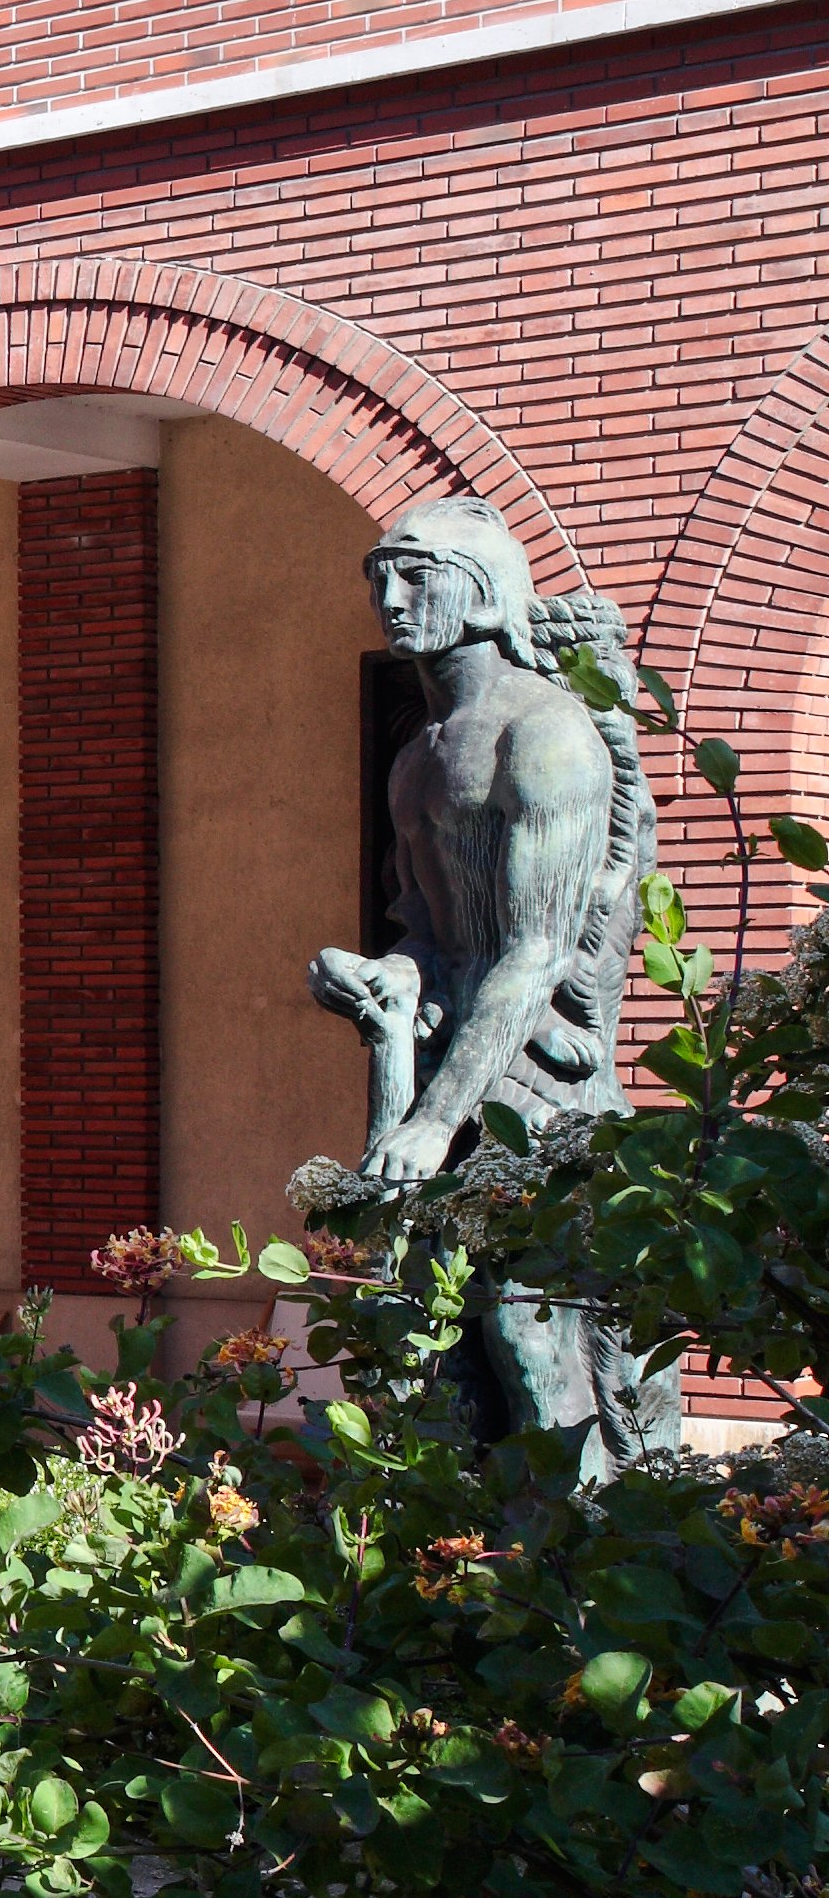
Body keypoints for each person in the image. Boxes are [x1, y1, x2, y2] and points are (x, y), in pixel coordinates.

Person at [325, 499, 681, 1479]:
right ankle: (489, 1574)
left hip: (539, 1085)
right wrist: (380, 975)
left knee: (533, 1339)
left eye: (417, 575)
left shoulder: (548, 739)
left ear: (484, 593)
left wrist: (434, 1123)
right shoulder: (418, 760)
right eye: (378, 577)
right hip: (454, 1059)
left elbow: (535, 954)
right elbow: (431, 936)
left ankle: (599, 1562)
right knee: (441, 1355)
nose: (390, 600)